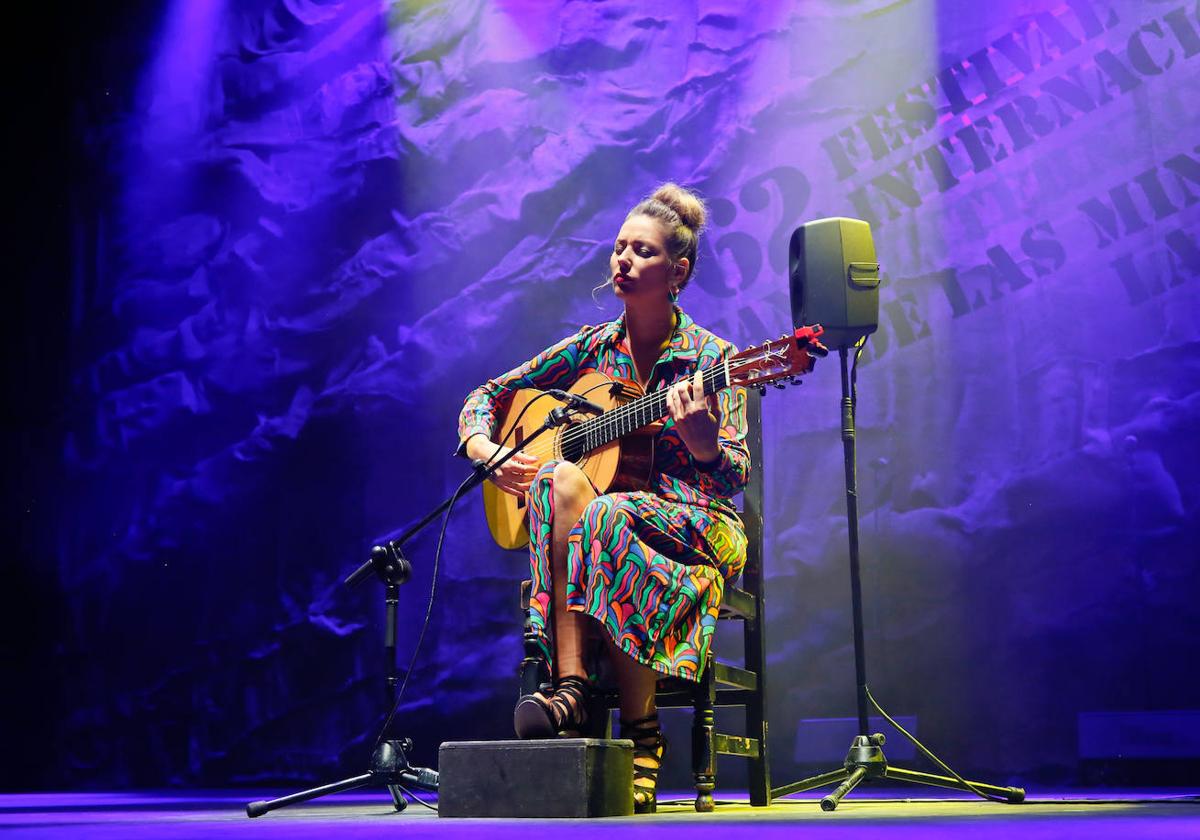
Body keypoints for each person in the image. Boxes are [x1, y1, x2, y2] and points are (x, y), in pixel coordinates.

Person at [456, 183, 749, 813]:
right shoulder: (592, 348)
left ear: (678, 271)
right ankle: (573, 688)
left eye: (641, 251)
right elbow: (490, 393)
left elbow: (733, 479)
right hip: (610, 527)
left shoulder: (711, 359)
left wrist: (703, 445)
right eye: (618, 247)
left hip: (698, 520)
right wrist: (484, 449)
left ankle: (631, 729)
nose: (622, 260)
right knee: (563, 482)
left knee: (602, 517)